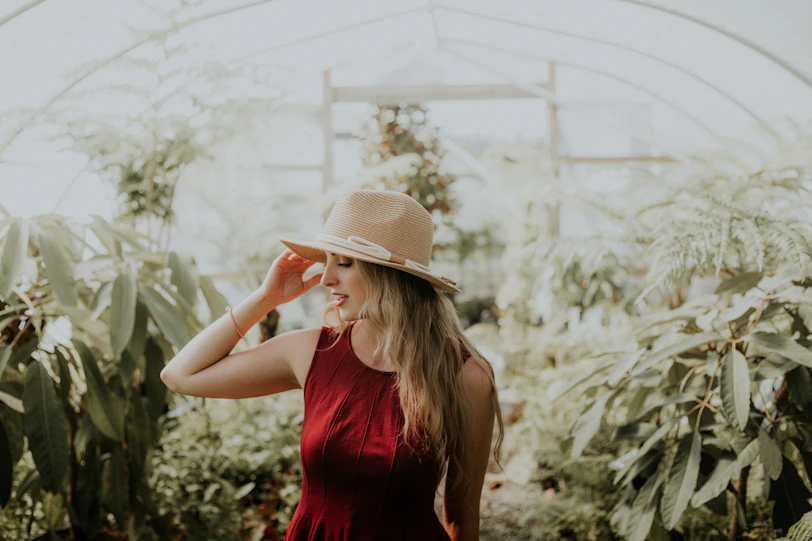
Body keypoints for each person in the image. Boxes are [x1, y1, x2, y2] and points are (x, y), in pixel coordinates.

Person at [161, 189, 504, 540]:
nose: (325, 279)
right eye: (327, 261)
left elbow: (462, 518)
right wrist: (265, 298)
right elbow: (180, 374)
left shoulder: (465, 376)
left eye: (343, 263)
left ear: (389, 275)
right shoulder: (313, 350)